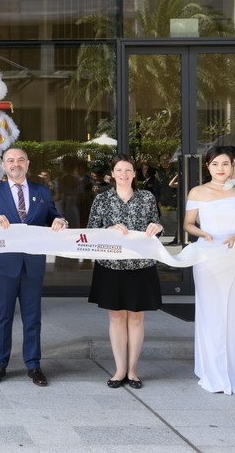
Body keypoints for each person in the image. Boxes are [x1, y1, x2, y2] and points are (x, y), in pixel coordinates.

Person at [0, 147, 68, 387]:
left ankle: (34, 365)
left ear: (28, 164)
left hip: (33, 264)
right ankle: (0, 364)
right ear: (4, 166)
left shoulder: (41, 191)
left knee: (32, 317)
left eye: (20, 160)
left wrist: (60, 221)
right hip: (5, 265)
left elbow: (53, 217)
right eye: (10, 160)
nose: (16, 164)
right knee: (3, 316)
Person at [183, 146, 235, 394]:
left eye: (225, 164)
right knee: (210, 313)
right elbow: (188, 224)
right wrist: (202, 233)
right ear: (208, 166)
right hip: (207, 256)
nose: (221, 169)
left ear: (233, 166)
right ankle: (211, 372)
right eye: (215, 164)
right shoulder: (197, 192)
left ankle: (234, 376)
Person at [86, 154, 163, 390]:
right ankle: (119, 370)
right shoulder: (102, 199)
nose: (123, 174)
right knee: (117, 316)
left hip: (141, 265)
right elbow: (91, 231)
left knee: (137, 317)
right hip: (111, 266)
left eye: (128, 170)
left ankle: (133, 370)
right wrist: (108, 230)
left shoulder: (147, 198)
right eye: (119, 170)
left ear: (134, 174)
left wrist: (158, 227)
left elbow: (156, 226)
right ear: (112, 174)